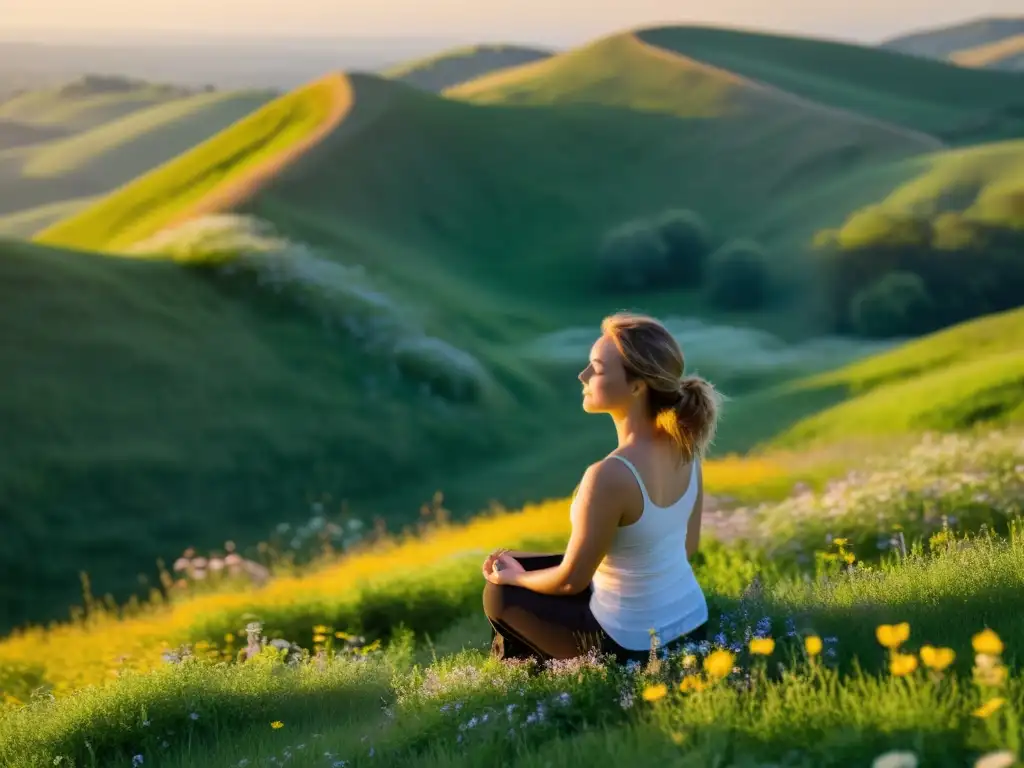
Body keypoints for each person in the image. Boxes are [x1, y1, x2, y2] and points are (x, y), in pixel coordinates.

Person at [481, 311, 723, 665]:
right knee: (513, 561)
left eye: (596, 367)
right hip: (693, 626)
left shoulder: (609, 475)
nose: (584, 375)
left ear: (637, 386)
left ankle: (534, 679)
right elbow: (687, 548)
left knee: (500, 594)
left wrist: (516, 580)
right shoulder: (687, 448)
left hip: (634, 647)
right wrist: (520, 569)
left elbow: (570, 584)